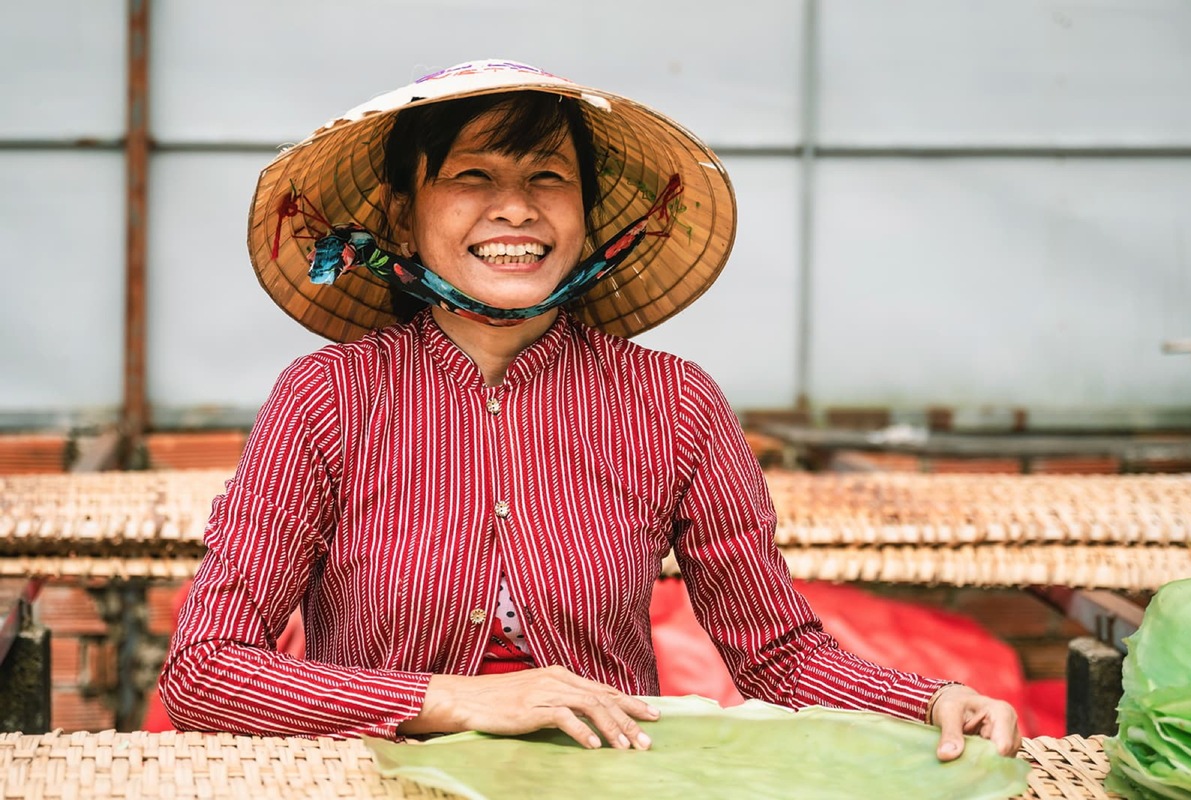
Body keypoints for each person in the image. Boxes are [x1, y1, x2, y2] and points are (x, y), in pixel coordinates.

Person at [158, 59, 1019, 761]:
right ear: (402, 214)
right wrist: (453, 700)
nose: (517, 208)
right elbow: (204, 673)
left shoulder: (672, 402)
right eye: (471, 176)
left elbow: (778, 657)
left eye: (548, 178)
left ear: (587, 214)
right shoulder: (329, 399)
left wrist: (935, 697)